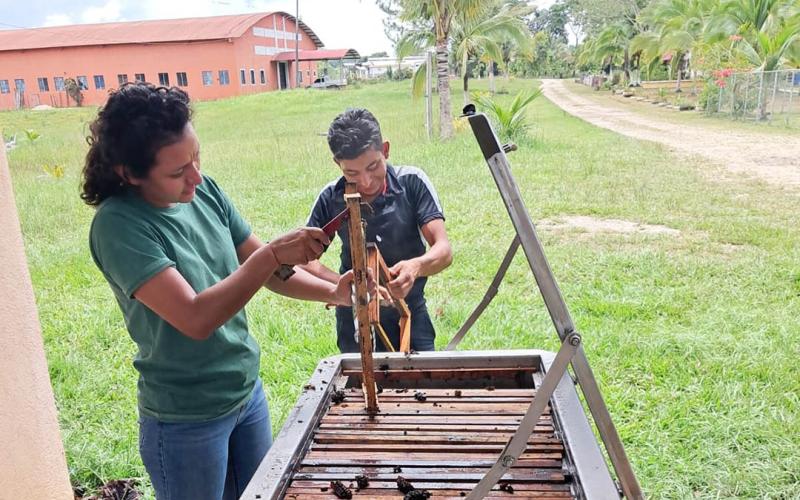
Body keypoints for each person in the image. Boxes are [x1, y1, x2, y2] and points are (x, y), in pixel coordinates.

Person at [81, 82, 358, 500]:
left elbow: (267, 273)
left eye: (196, 158)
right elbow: (196, 318)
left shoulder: (204, 190)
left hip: (245, 394)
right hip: (185, 418)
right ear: (129, 173)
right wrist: (271, 256)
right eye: (177, 172)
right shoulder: (119, 225)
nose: (195, 176)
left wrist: (336, 292)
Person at [303, 108, 452, 353]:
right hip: (354, 316)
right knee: (356, 387)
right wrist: (349, 287)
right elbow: (304, 261)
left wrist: (415, 267)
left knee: (424, 386)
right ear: (337, 164)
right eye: (351, 173)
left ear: (385, 150)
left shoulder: (412, 182)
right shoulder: (332, 198)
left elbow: (443, 250)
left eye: (373, 166)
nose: (365, 182)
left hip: (410, 311)